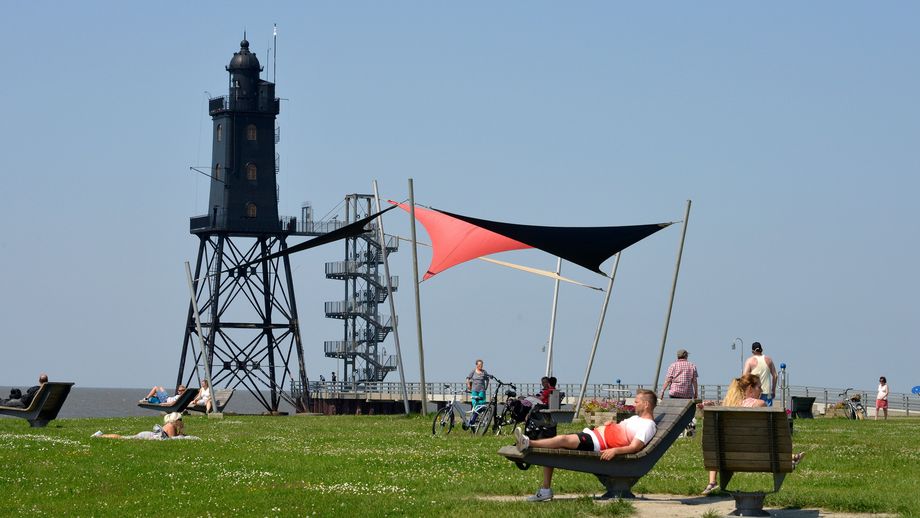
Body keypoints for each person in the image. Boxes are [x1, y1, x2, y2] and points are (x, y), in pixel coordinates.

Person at [514, 389, 658, 502]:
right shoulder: (635, 418)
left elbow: (634, 447)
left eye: (637, 402)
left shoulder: (648, 425)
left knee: (562, 439)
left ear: (646, 404)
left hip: (597, 443)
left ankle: (528, 443)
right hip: (594, 436)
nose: (634, 404)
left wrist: (615, 451)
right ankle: (545, 490)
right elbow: (621, 431)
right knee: (554, 447)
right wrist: (610, 424)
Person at [702, 374, 804, 495]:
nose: (761, 390)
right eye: (759, 387)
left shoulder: (727, 406)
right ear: (750, 388)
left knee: (718, 443)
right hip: (760, 457)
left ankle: (712, 482)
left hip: (728, 458)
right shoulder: (759, 404)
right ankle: (789, 458)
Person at [93, 412, 193, 440]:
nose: (182, 422)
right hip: (148, 435)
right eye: (180, 420)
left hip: (148, 434)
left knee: (124, 437)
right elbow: (172, 439)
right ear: (177, 420)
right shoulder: (171, 426)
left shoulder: (169, 425)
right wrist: (182, 434)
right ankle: (100, 436)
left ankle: (101, 435)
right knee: (122, 437)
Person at [742, 342, 778, 406]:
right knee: (768, 411)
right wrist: (773, 390)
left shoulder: (750, 361)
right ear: (761, 350)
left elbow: (744, 377)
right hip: (767, 392)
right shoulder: (769, 360)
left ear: (752, 351)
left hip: (754, 392)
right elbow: (775, 376)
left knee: (754, 411)